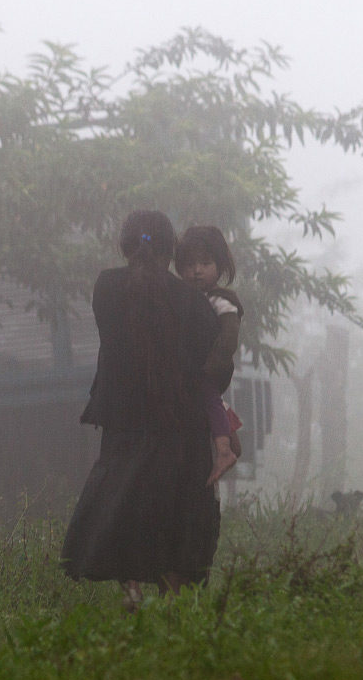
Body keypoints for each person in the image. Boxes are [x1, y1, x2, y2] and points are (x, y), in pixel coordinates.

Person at [61, 210, 221, 607]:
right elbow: (209, 372)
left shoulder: (106, 288)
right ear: (172, 251)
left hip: (123, 420)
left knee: (123, 501)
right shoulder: (195, 304)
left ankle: (130, 587)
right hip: (180, 426)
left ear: (125, 246)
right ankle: (175, 606)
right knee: (175, 511)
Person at [175, 225, 245, 487]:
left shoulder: (220, 300)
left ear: (220, 266)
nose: (196, 270)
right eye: (190, 264)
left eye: (205, 263)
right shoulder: (186, 298)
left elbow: (229, 337)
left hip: (208, 368)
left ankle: (224, 451)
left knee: (208, 395)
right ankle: (230, 431)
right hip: (195, 367)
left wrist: (211, 368)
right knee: (213, 403)